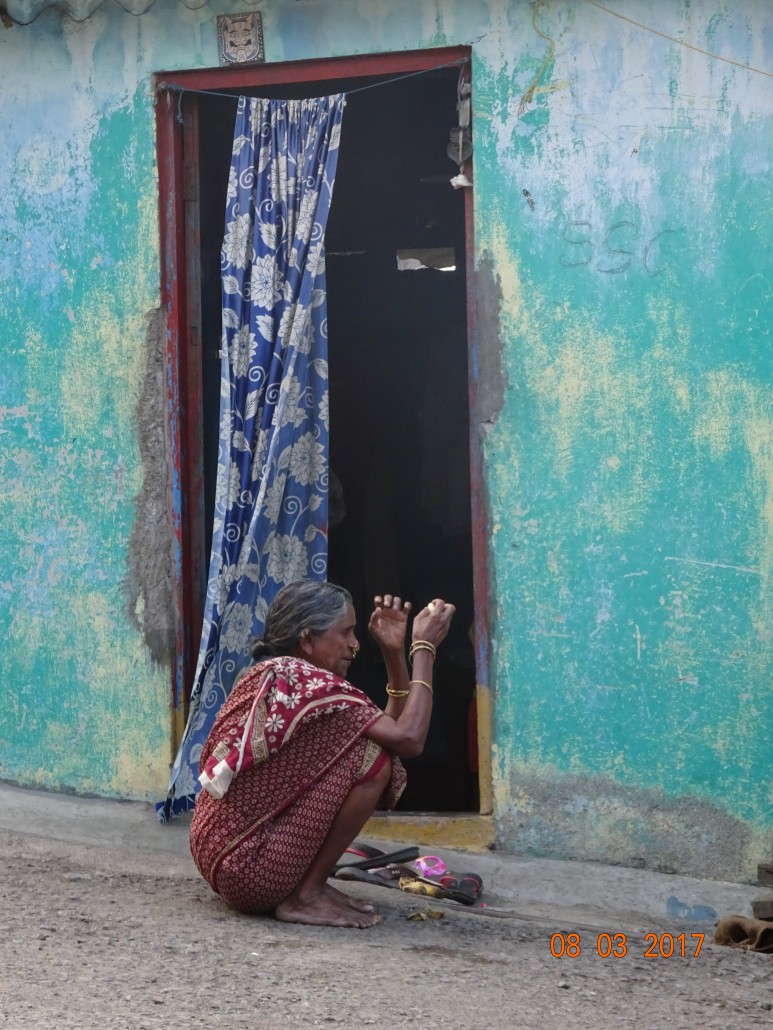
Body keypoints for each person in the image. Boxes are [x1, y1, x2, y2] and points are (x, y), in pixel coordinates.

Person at [189, 579, 455, 928]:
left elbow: (389, 730)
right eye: (345, 632)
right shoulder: (308, 682)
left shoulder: (278, 674)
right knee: (374, 761)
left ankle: (308, 887)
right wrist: (423, 648)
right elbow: (408, 739)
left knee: (370, 750)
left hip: (221, 856)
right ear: (307, 639)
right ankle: (306, 895)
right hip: (251, 870)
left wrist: (392, 653)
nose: (354, 644)